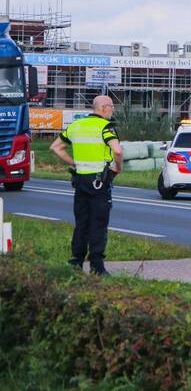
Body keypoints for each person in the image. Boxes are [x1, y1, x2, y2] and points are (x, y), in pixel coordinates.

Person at [49, 95, 123, 275]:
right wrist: (118, 168)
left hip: (80, 181)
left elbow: (55, 147)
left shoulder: (75, 126)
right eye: (112, 107)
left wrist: (74, 163)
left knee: (81, 223)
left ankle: (76, 262)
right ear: (104, 107)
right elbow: (117, 150)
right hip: (100, 182)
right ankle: (97, 266)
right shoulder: (105, 127)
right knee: (98, 223)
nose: (112, 110)